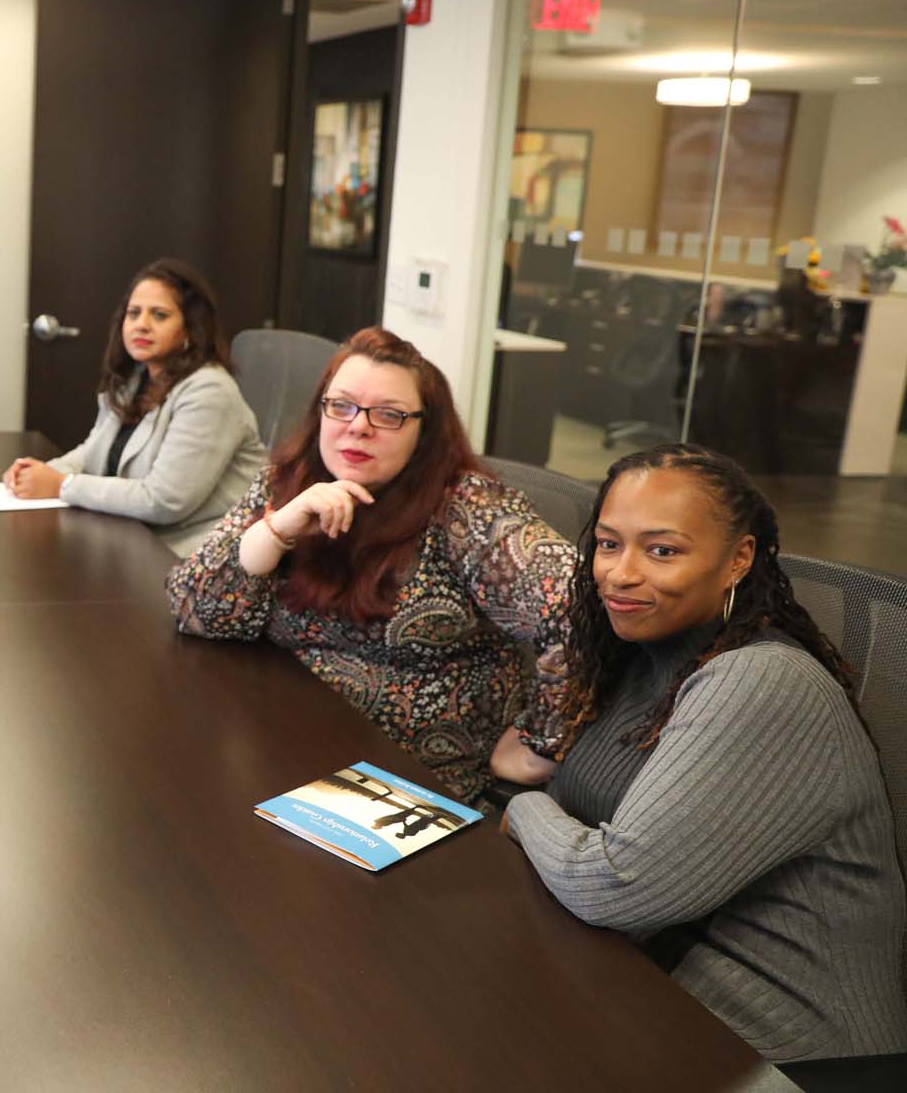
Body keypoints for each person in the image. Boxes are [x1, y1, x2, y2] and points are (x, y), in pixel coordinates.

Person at [496, 444, 907, 1063]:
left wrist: (525, 811)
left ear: (739, 558)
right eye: (609, 544)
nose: (620, 573)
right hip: (644, 977)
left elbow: (615, 887)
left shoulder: (760, 682)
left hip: (782, 1047)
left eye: (662, 550)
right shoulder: (637, 654)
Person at [166, 326, 575, 803]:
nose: (358, 426)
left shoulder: (466, 508)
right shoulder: (291, 481)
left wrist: (540, 745)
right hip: (275, 740)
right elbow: (194, 611)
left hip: (399, 780)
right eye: (341, 406)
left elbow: (580, 610)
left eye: (389, 415)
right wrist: (278, 530)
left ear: (425, 433)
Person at [2, 259, 266, 555]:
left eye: (160, 315)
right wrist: (37, 474)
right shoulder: (137, 377)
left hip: (197, 558)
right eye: (134, 313)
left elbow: (164, 500)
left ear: (190, 329)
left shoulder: (210, 391)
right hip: (135, 539)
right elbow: (92, 451)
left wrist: (61, 485)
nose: (142, 324)